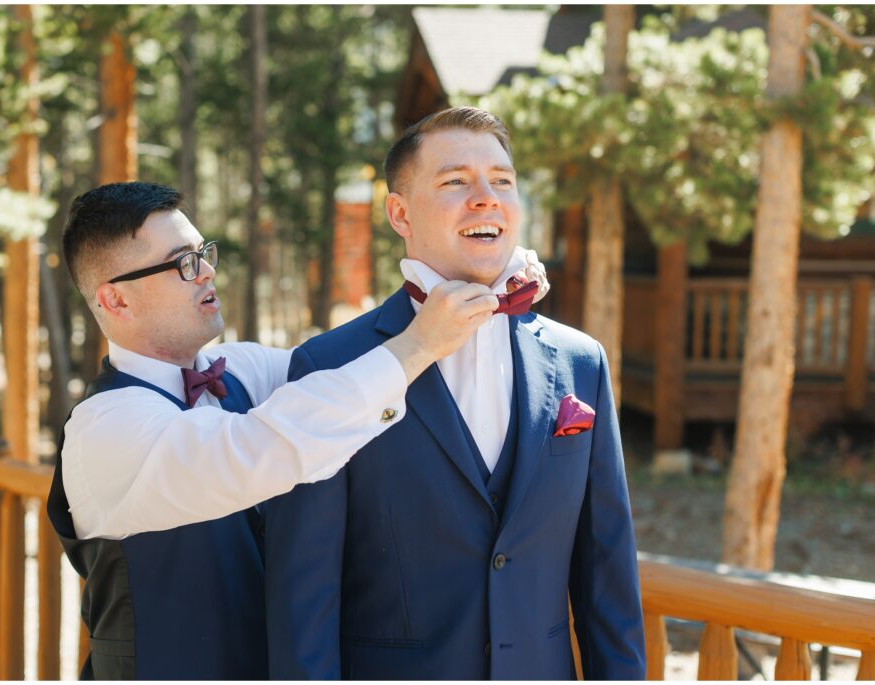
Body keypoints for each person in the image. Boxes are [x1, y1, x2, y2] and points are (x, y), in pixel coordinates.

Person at [46, 181, 504, 680]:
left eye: (204, 253)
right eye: (183, 263)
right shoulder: (104, 427)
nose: (207, 271)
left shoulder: (241, 369)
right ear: (116, 301)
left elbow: (344, 374)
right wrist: (418, 345)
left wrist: (490, 277)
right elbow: (262, 448)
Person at [265, 107, 646, 680]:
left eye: (502, 181)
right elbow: (303, 596)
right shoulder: (329, 366)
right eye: (455, 182)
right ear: (399, 212)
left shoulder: (580, 362)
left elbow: (607, 568)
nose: (486, 197)